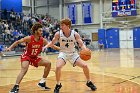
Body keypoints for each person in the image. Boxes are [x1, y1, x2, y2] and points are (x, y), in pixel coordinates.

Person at [45, 18, 97, 93]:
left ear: (68, 26)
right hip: (63, 53)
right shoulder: (58, 34)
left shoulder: (75, 34)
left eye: (62, 25)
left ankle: (89, 82)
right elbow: (52, 43)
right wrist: (45, 46)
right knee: (58, 66)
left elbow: (81, 44)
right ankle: (58, 84)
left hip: (73, 54)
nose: (61, 27)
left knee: (85, 66)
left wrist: (85, 49)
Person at [7, 23, 59, 93]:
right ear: (35, 31)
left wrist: (61, 49)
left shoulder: (43, 40)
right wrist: (10, 48)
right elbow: (18, 42)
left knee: (48, 63)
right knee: (24, 69)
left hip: (34, 57)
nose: (42, 32)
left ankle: (42, 82)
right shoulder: (29, 38)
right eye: (40, 31)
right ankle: (16, 86)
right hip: (27, 56)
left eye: (42, 30)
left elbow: (52, 46)